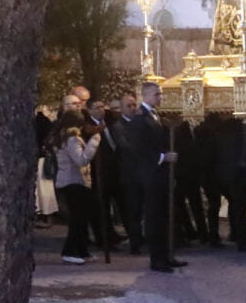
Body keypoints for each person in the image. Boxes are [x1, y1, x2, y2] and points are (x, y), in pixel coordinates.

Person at [109, 81, 184, 271]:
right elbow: (137, 149)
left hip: (160, 174)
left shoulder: (154, 116)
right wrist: (162, 157)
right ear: (146, 95)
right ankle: (156, 259)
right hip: (149, 174)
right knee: (154, 217)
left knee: (163, 215)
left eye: (160, 94)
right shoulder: (139, 119)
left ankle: (166, 255)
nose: (160, 97)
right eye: (156, 94)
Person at [54, 107, 102, 263]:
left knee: (82, 218)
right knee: (77, 219)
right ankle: (70, 251)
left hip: (73, 181)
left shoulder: (62, 137)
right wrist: (94, 142)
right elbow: (81, 159)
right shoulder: (71, 139)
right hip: (73, 181)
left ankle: (82, 251)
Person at [200, 101, 246, 251]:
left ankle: (214, 236)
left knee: (214, 207)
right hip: (229, 175)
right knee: (236, 205)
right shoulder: (236, 133)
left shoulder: (207, 133)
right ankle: (238, 236)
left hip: (211, 176)